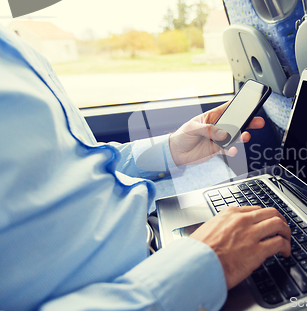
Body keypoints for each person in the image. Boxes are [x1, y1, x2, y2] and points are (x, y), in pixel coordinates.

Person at [0, 25, 291, 310]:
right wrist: (205, 263)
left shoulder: (13, 46)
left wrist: (171, 149)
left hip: (158, 248)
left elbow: (75, 164)